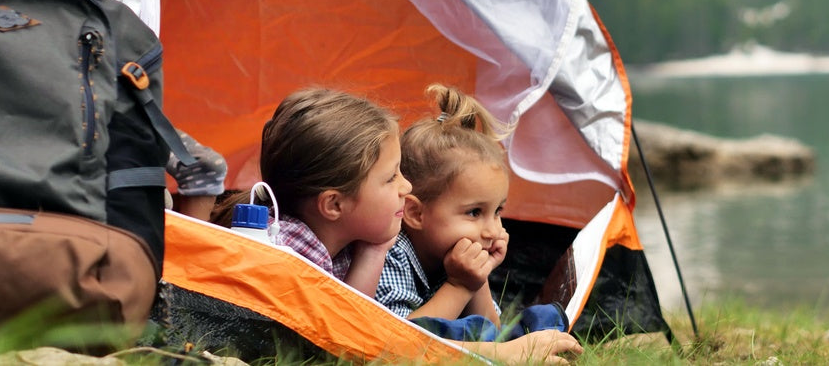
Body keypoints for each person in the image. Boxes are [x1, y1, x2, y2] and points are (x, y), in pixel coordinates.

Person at [375, 84, 581, 364]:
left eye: (497, 211)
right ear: (415, 214)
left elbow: (491, 331)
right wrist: (460, 286)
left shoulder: (455, 255)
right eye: (474, 213)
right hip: (406, 341)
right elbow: (396, 343)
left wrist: (478, 280)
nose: (492, 230)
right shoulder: (391, 256)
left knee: (540, 319)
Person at [212, 86, 410, 296]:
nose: (407, 187)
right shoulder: (292, 261)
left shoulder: (339, 237)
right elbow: (341, 327)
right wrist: (373, 255)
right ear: (333, 204)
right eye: (391, 178)